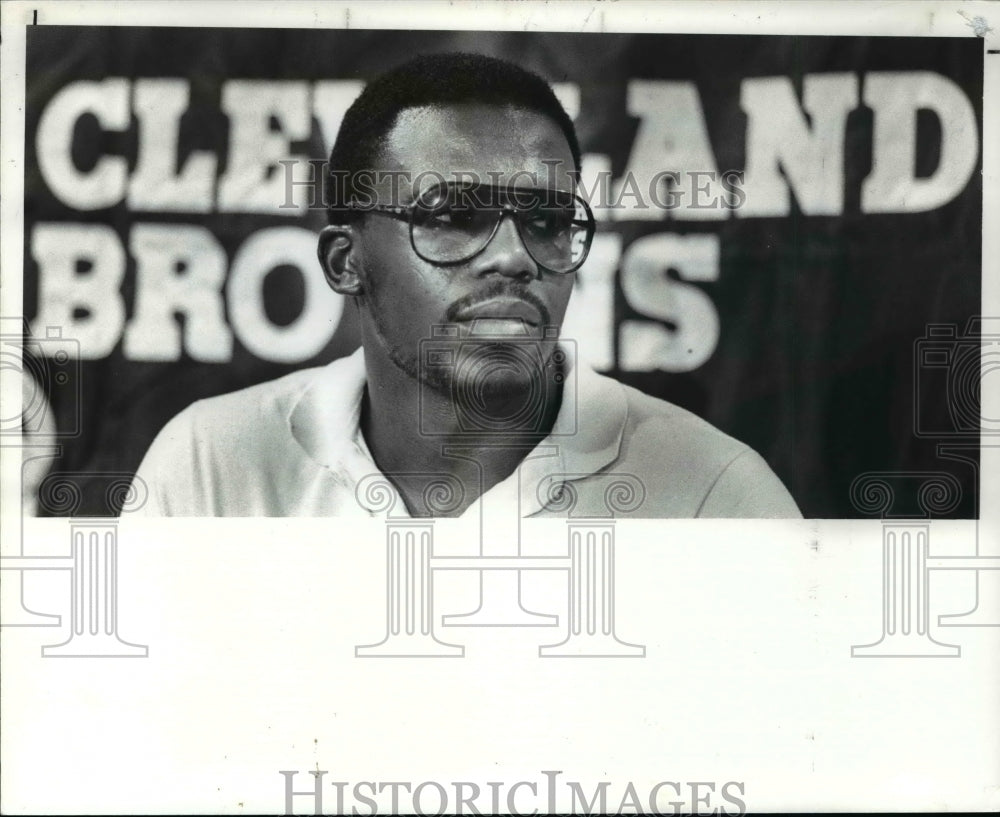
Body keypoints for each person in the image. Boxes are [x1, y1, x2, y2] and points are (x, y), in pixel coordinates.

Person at [132, 52, 800, 518]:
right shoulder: (212, 467)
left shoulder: (714, 497)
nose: (514, 256)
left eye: (547, 219)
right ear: (345, 262)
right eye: (452, 215)